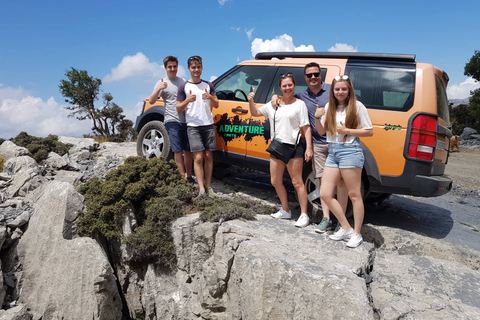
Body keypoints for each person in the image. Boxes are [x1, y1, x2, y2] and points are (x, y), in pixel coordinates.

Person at [271, 63, 348, 233]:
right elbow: (286, 96)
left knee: (342, 183)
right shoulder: (301, 96)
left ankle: (342, 223)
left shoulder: (332, 90)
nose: (313, 78)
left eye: (316, 74)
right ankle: (327, 219)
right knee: (322, 181)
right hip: (319, 143)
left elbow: (347, 99)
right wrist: (275, 96)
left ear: (321, 75)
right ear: (305, 78)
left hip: (337, 141)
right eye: (309, 75)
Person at [314, 75, 373, 248]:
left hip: (350, 150)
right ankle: (346, 227)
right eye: (337, 89)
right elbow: (321, 131)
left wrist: (347, 130)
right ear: (333, 91)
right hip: (332, 151)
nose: (340, 92)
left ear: (349, 91)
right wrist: (317, 118)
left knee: (354, 195)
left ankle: (357, 233)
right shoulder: (328, 107)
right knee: (324, 193)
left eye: (344, 89)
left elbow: (369, 131)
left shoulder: (357, 106)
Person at [248, 73, 313, 228]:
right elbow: (255, 113)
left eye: (290, 85)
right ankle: (285, 210)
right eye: (284, 85)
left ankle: (304, 214)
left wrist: (309, 147)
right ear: (280, 87)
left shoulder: (300, 105)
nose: (287, 88)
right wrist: (251, 100)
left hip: (294, 147)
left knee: (297, 182)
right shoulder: (273, 104)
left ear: (294, 85)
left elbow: (306, 127)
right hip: (277, 146)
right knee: (275, 181)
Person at [177, 55, 219, 196]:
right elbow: (178, 108)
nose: (196, 70)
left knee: (208, 156)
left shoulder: (209, 85)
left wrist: (211, 97)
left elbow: (217, 104)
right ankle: (201, 189)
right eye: (193, 67)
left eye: (198, 67)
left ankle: (208, 187)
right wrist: (187, 100)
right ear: (189, 69)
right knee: (198, 158)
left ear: (202, 68)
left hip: (208, 124)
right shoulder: (184, 87)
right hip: (193, 126)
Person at [148, 56, 194, 183]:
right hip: (171, 120)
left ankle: (189, 177)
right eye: (170, 67)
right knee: (178, 150)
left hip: (186, 120)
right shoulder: (162, 82)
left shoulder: (183, 81)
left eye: (174, 66)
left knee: (188, 150)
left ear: (177, 67)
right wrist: (159, 88)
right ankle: (182, 178)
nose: (172, 69)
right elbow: (151, 100)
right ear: (165, 68)